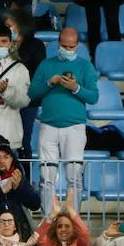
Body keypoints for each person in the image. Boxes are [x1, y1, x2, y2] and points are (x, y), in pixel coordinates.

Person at [28, 28, 99, 212]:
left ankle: (73, 220)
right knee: (46, 176)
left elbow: (93, 97)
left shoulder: (85, 66)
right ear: (58, 44)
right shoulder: (46, 65)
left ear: (77, 46)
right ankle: (47, 220)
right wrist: (50, 83)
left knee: (74, 177)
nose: (67, 49)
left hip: (75, 127)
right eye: (64, 46)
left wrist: (76, 88)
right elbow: (32, 93)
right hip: (48, 126)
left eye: (71, 46)